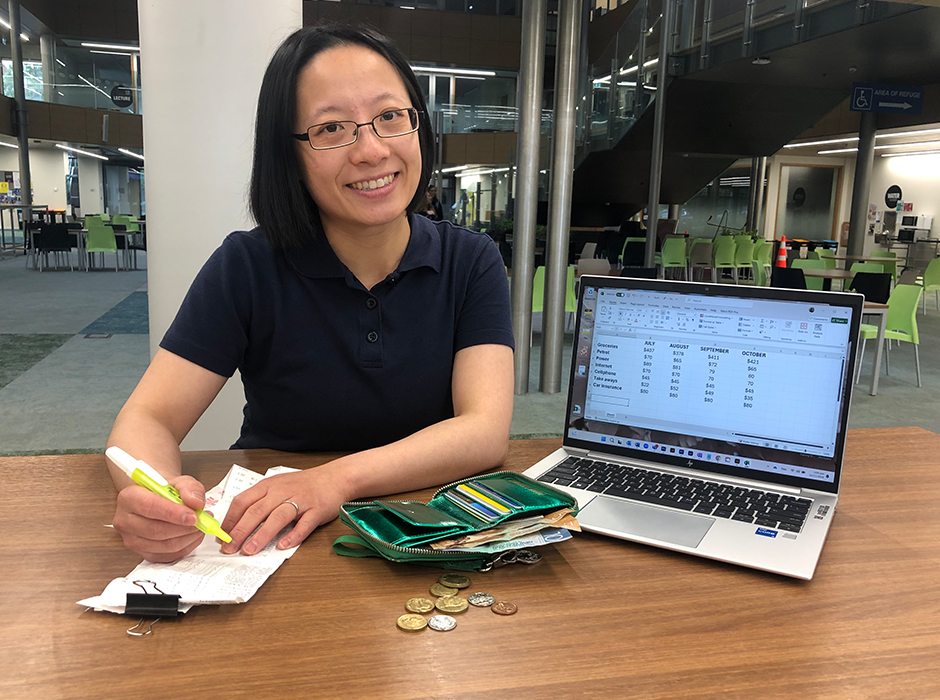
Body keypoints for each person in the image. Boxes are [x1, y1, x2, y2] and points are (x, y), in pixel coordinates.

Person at [105, 24, 514, 564]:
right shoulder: (248, 266)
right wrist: (156, 499)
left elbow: (484, 432)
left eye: (390, 117)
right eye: (331, 129)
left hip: (427, 531)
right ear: (289, 155)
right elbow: (147, 419)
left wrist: (333, 480)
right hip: (272, 539)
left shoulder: (471, 260)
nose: (370, 151)